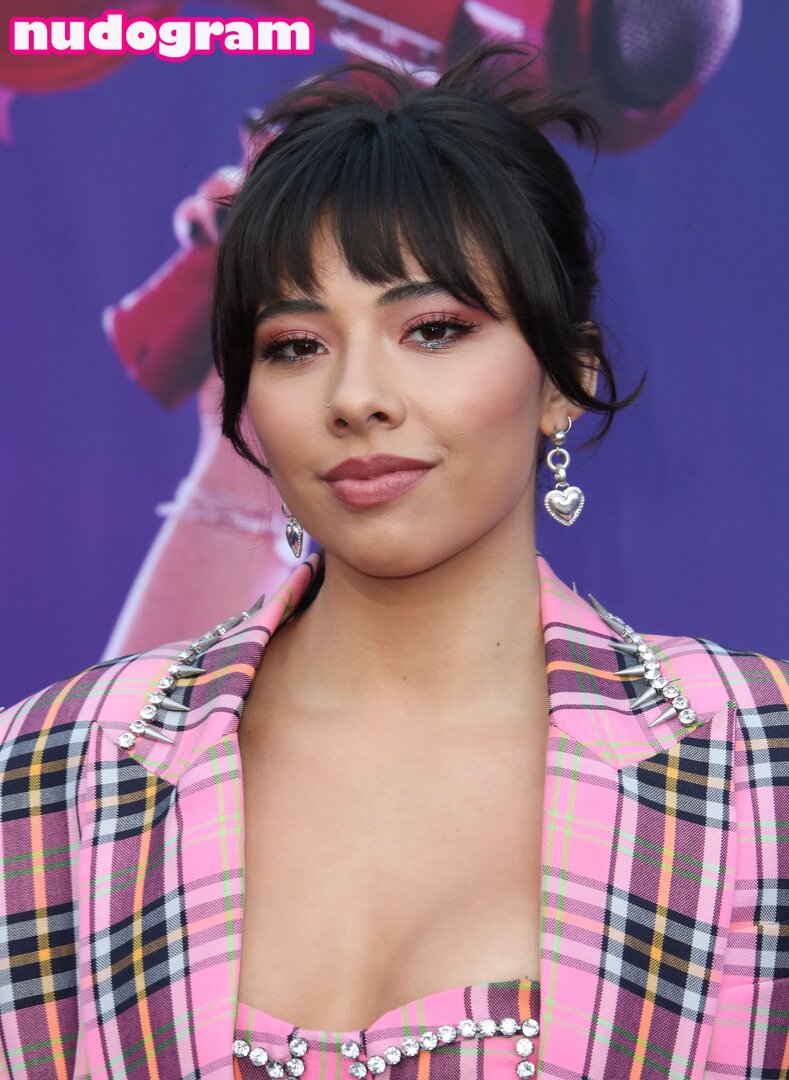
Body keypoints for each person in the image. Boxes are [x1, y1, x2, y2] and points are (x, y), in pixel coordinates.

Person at [0, 41, 786, 1080]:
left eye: (432, 329)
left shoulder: (751, 761)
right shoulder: (50, 771)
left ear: (563, 377)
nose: (357, 397)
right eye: (296, 345)